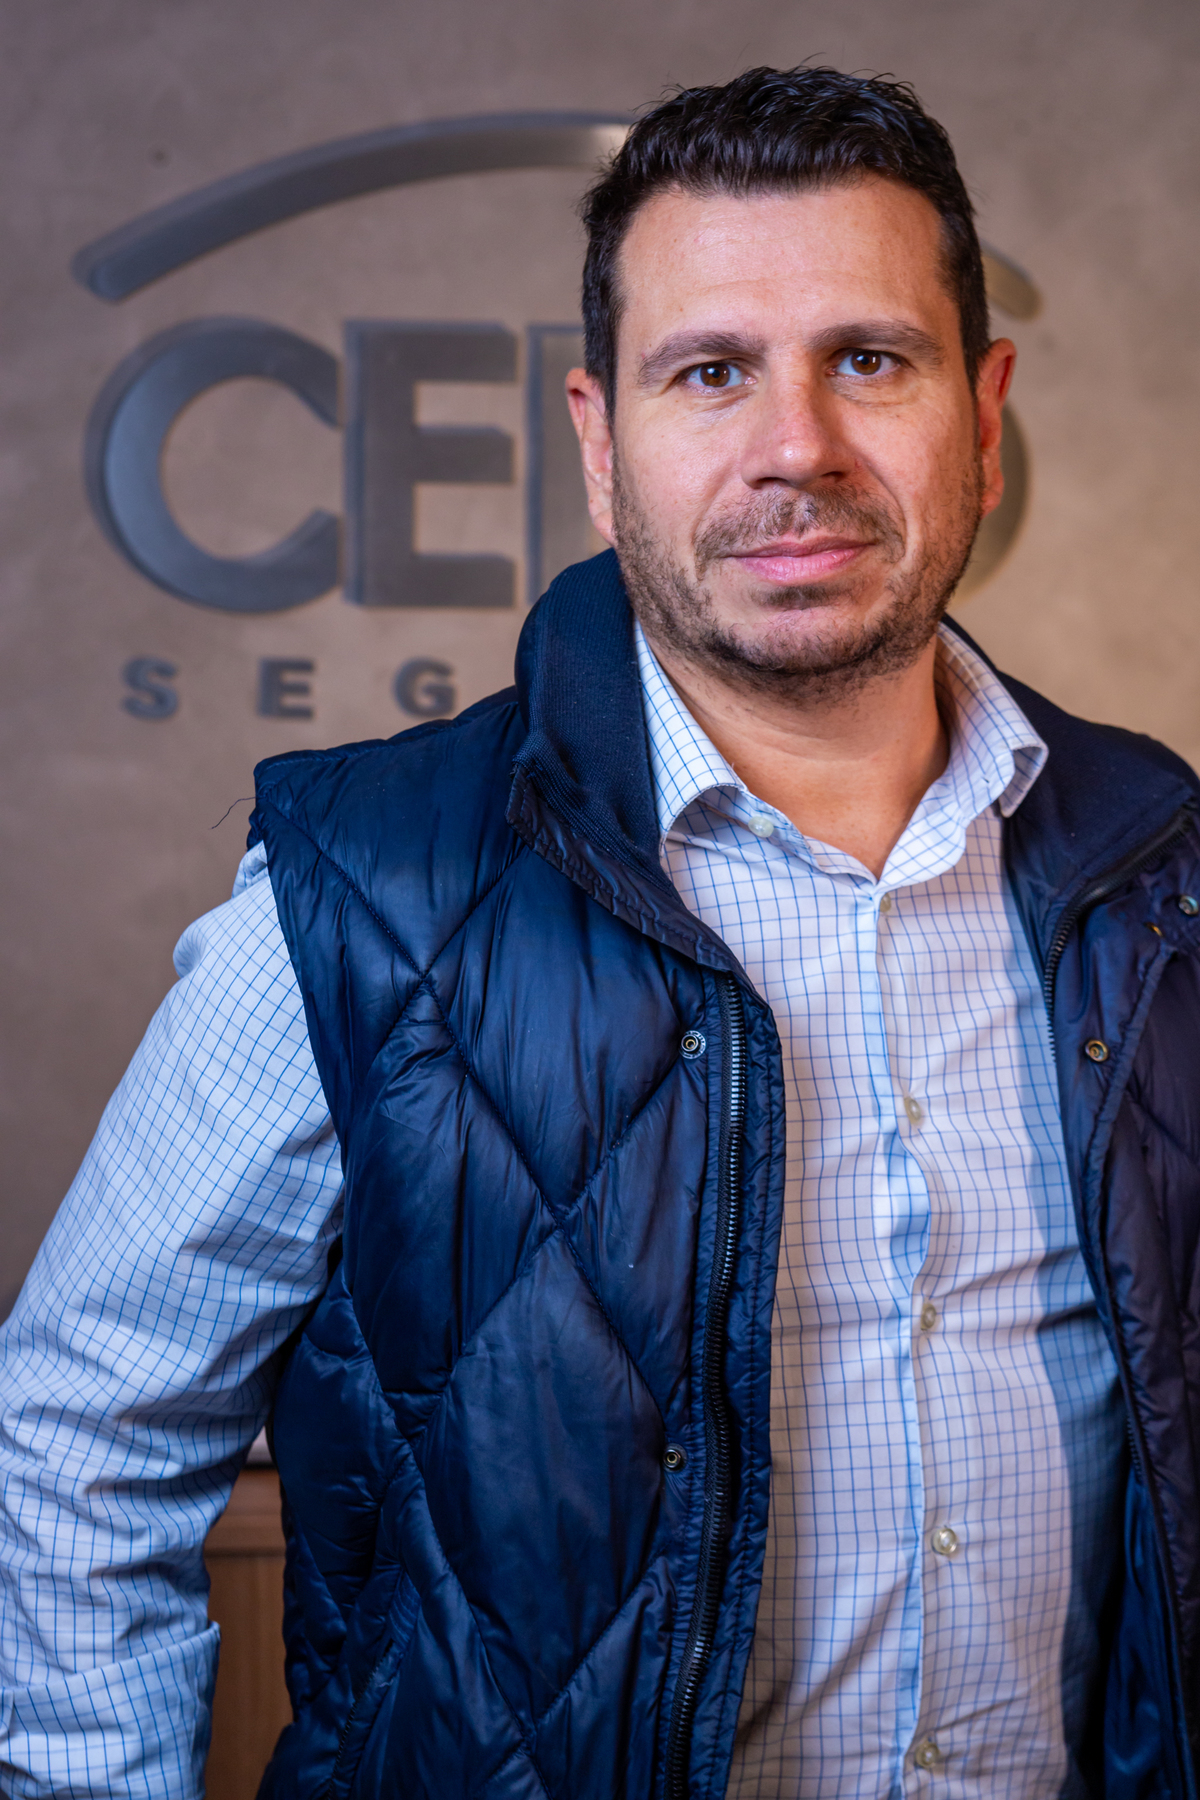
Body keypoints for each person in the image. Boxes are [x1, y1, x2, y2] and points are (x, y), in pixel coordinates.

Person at [3, 63, 1200, 1800]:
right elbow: (79, 1438)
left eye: (872, 360)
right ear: (597, 440)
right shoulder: (369, 891)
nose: (797, 446)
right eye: (710, 372)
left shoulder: (1161, 874)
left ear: (985, 410)